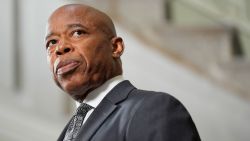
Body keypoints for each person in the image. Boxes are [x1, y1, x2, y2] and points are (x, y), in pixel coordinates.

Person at [45, 4, 201, 141]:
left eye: (78, 33)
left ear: (115, 47)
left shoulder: (153, 109)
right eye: (52, 42)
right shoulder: (69, 131)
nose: (59, 48)